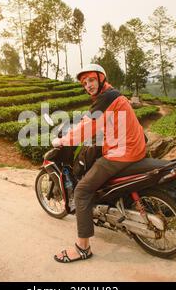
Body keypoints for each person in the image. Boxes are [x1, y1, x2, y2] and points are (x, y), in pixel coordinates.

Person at [52, 64, 147, 263]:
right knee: (94, 152)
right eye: (84, 83)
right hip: (134, 146)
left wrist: (63, 140)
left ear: (101, 78)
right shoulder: (112, 95)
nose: (88, 85)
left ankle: (82, 248)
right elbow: (100, 121)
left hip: (123, 152)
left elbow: (87, 125)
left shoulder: (106, 98)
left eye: (91, 80)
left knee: (82, 191)